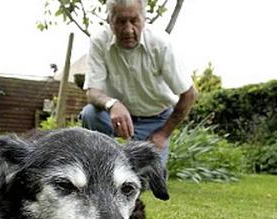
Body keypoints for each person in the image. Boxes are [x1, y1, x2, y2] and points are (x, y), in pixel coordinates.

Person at [80, 0, 198, 165]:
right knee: (91, 114)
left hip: (156, 120)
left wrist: (164, 134)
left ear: (144, 19)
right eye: (120, 22)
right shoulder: (99, 41)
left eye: (134, 21)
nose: (128, 30)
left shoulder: (160, 43)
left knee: (148, 180)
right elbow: (92, 92)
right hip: (116, 118)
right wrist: (112, 104)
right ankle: (101, 162)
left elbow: (189, 94)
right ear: (109, 20)